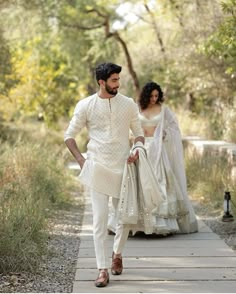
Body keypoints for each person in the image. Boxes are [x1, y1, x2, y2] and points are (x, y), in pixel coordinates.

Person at [64, 62, 144, 287]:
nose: (118, 83)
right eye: (114, 80)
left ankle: (117, 253)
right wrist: (81, 161)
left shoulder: (128, 104)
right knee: (99, 221)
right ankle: (102, 269)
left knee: (124, 217)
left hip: (123, 168)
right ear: (102, 82)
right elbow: (69, 136)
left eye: (118, 79)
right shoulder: (86, 105)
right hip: (97, 168)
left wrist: (137, 149)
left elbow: (138, 134)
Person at [136, 81, 198, 235]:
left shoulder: (164, 111)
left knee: (160, 182)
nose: (154, 99)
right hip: (142, 148)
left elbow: (174, 128)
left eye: (157, 96)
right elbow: (132, 128)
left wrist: (165, 134)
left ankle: (162, 224)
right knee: (141, 183)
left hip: (158, 149)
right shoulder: (138, 110)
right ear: (146, 96)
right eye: (151, 96)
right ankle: (139, 224)